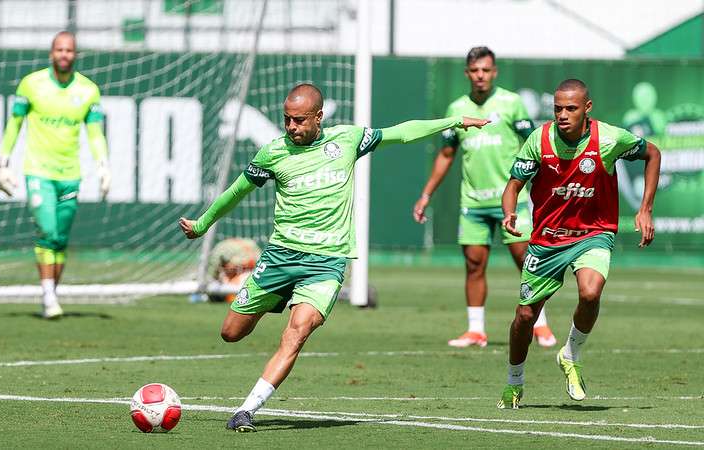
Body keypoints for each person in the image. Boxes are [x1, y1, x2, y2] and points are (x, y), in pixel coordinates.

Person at [179, 83, 489, 432]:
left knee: (297, 333)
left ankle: (246, 410)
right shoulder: (273, 153)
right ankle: (274, 298)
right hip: (281, 256)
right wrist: (203, 224)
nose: (292, 127)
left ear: (319, 117)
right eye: (286, 120)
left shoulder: (347, 140)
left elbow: (402, 133)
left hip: (325, 262)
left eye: (299, 120)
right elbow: (236, 192)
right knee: (231, 333)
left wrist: (453, 121)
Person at [497, 79, 660, 409]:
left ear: (587, 108)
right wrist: (509, 212)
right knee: (525, 317)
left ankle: (570, 354)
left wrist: (645, 208)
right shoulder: (539, 140)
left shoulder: (609, 139)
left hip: (593, 233)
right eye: (558, 108)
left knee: (590, 292)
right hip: (547, 240)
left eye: (570, 108)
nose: (562, 115)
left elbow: (652, 154)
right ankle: (514, 382)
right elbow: (513, 185)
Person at [412, 46, 556, 348]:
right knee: (474, 264)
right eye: (475, 71)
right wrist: (426, 195)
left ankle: (540, 323)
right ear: (467, 73)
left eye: (486, 70)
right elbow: (446, 154)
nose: (481, 76)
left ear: (495, 72)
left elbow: (533, 144)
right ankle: (476, 330)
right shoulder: (456, 109)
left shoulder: (511, 103)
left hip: (511, 201)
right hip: (474, 202)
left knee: (526, 262)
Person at [0, 31, 111, 319]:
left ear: (75, 55)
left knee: (60, 239)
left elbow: (95, 134)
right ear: (51, 53)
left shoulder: (88, 90)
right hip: (38, 171)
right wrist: (2, 163)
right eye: (59, 50)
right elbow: (14, 125)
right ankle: (48, 295)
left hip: (71, 174)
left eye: (69, 50)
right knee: (47, 232)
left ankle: (51, 294)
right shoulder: (31, 84)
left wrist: (103, 165)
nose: (64, 55)